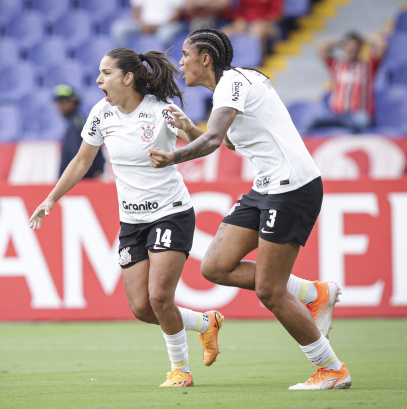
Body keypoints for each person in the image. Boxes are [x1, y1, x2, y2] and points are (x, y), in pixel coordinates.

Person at [148, 28, 352, 390]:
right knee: (215, 266)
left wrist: (172, 158)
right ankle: (313, 293)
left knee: (269, 291)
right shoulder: (233, 86)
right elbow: (222, 141)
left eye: (185, 54)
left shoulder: (231, 85)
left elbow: (212, 141)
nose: (180, 62)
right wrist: (188, 128)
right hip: (266, 188)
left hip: (292, 187)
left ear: (205, 58)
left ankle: (331, 369)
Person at [30, 48, 225, 388]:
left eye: (105, 73)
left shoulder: (160, 110)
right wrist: (51, 199)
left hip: (171, 213)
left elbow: (208, 144)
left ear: (127, 77)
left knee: (159, 298)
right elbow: (81, 161)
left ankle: (180, 370)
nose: (98, 80)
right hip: (131, 222)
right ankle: (205, 323)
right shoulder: (101, 113)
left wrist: (189, 128)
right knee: (141, 308)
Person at [307, 31, 386, 134]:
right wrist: (342, 42)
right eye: (348, 46)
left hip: (358, 115)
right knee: (311, 122)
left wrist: (363, 39)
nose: (351, 48)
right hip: (337, 115)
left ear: (360, 48)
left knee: (362, 122)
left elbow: (382, 45)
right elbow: (321, 46)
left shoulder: (368, 67)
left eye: (355, 46)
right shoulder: (336, 66)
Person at [53, 84, 105, 179]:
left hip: (79, 182)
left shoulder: (76, 124)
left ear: (74, 102)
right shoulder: (78, 121)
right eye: (58, 102)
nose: (60, 106)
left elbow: (78, 158)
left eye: (63, 102)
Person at [110, 0, 186, 49]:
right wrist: (143, 25)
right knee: (119, 28)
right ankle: (118, 59)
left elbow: (176, 15)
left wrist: (159, 26)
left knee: (165, 34)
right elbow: (136, 12)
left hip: (166, 25)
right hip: (143, 25)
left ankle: (160, 64)